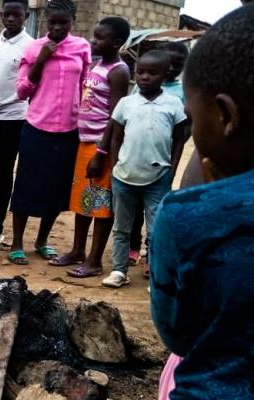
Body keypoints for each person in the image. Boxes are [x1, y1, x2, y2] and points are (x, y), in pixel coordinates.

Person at [151, 6, 254, 399]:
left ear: (226, 115)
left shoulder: (188, 216)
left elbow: (177, 333)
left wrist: (209, 193)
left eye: (193, 116)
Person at [8, 0, 91, 265]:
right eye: (51, 22)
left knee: (56, 190)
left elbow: (84, 85)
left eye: (62, 23)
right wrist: (41, 60)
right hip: (37, 128)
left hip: (69, 130)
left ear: (72, 21)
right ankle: (17, 243)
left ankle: (42, 241)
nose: (56, 27)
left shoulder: (82, 47)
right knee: (26, 185)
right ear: (45, 21)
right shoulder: (33, 48)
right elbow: (22, 91)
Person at [51, 17, 131, 278]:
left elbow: (116, 117)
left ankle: (95, 260)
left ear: (117, 42)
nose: (93, 41)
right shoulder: (97, 65)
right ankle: (77, 250)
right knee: (83, 201)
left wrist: (102, 152)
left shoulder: (118, 71)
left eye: (99, 38)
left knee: (100, 204)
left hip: (101, 146)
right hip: (85, 142)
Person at [99, 49, 187, 288]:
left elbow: (180, 137)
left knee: (156, 229)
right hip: (124, 176)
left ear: (165, 74)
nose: (145, 77)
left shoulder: (173, 103)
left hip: (158, 176)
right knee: (121, 227)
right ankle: (119, 270)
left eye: (152, 73)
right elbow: (116, 136)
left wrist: (173, 166)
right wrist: (116, 164)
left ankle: (157, 274)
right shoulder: (127, 103)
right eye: (141, 72)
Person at [128, 41, 190, 269]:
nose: (172, 68)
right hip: (136, 156)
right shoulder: (141, 87)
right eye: (169, 63)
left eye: (178, 64)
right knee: (134, 205)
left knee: (155, 208)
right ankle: (132, 247)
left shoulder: (182, 93)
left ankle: (151, 252)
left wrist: (172, 164)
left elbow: (184, 130)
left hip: (163, 160)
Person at [0, 0, 33, 248]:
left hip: (15, 117)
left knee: (4, 172)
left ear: (26, 15)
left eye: (17, 15)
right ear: (0, 15)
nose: (11, 19)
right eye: (7, 14)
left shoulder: (31, 46)